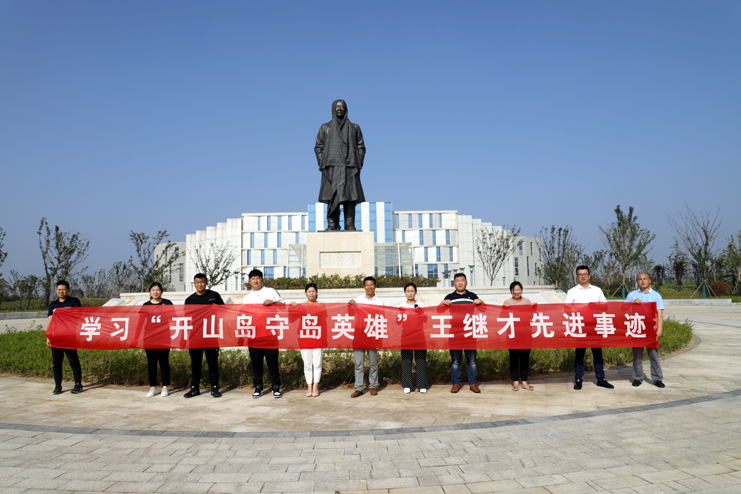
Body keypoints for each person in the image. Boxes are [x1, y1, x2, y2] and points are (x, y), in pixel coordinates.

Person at [314, 99, 366, 231]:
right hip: (331, 167)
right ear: (333, 109)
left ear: (346, 109)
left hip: (350, 167)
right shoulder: (325, 127)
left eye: (342, 107)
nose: (339, 109)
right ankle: (332, 225)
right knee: (332, 196)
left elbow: (361, 147)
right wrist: (323, 163)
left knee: (350, 197)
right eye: (337, 107)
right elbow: (318, 147)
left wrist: (358, 163)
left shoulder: (355, 128)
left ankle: (350, 224)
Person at [565, 265, 614, 390]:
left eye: (585, 274)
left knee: (597, 354)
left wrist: (595, 306)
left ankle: (601, 379)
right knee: (579, 354)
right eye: (580, 274)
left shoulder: (597, 290)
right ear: (576, 276)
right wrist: (578, 310)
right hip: (580, 326)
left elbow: (605, 306)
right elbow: (567, 309)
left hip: (595, 325)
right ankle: (578, 379)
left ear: (589, 276)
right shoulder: (572, 292)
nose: (583, 276)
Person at [241, 269, 285, 398]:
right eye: (253, 278)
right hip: (254, 335)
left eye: (258, 278)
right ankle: (258, 387)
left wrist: (272, 302)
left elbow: (283, 305)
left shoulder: (270, 292)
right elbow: (242, 316)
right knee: (256, 364)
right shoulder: (247, 298)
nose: (255, 280)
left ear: (262, 279)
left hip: (270, 333)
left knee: (272, 363)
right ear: (250, 281)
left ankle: (275, 387)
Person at [440, 273, 483, 394]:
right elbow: (438, 311)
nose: (460, 282)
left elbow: (484, 309)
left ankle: (473, 384)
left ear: (466, 282)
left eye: (462, 280)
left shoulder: (472, 296)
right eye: (457, 280)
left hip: (470, 333)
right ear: (454, 283)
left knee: (472, 361)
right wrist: (442, 302)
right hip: (455, 333)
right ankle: (455, 384)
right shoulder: (450, 297)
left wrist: (481, 301)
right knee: (455, 361)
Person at [184, 273, 224, 398]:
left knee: (212, 363)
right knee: (195, 364)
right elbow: (186, 318)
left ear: (206, 283)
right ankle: (195, 388)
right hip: (195, 336)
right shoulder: (189, 300)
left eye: (202, 282)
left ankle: (215, 388)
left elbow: (225, 311)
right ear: (194, 284)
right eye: (197, 282)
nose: (200, 284)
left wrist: (218, 308)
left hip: (211, 335)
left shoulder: (214, 296)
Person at [626, 272, 665, 388]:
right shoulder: (632, 295)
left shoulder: (656, 295)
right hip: (637, 328)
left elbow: (659, 313)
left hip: (651, 329)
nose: (642, 281)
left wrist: (659, 329)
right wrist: (632, 303)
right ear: (637, 281)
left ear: (649, 280)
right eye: (640, 279)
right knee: (637, 355)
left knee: (653, 355)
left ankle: (657, 379)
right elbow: (623, 309)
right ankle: (637, 378)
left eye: (645, 279)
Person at [348, 276, 384, 397]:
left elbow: (381, 321)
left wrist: (380, 339)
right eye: (367, 285)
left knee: (373, 363)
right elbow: (350, 314)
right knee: (358, 363)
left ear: (375, 286)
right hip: (359, 334)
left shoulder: (379, 302)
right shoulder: (358, 300)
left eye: (371, 284)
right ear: (364, 287)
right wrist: (350, 304)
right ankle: (358, 388)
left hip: (372, 335)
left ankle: (373, 386)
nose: (369, 287)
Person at [47, 280, 83, 395]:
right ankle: (58, 386)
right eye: (59, 289)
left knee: (73, 361)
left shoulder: (74, 302)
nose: (61, 291)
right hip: (56, 337)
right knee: (56, 363)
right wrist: (48, 336)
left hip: (69, 336)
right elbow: (50, 320)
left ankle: (78, 384)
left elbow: (78, 316)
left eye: (63, 289)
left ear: (68, 290)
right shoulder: (53, 305)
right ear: (56, 290)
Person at [290, 283, 323, 397]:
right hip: (305, 338)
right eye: (309, 291)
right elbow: (292, 319)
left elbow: (325, 322)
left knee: (317, 364)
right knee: (307, 364)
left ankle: (316, 386)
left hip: (318, 338)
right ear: (306, 293)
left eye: (313, 291)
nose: (311, 293)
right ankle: (309, 386)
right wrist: (293, 307)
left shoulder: (322, 305)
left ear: (317, 293)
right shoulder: (301, 306)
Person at [143, 282, 173, 398]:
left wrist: (166, 310)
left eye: (157, 289)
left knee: (164, 362)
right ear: (150, 292)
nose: (155, 292)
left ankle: (165, 386)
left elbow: (173, 317)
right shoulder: (146, 305)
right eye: (153, 290)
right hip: (149, 338)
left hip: (164, 337)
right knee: (151, 363)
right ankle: (152, 387)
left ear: (161, 291)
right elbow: (140, 321)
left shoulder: (167, 303)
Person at [503, 281, 533, 391]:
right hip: (512, 334)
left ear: (521, 290)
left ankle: (524, 381)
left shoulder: (527, 301)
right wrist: (504, 309)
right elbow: (502, 317)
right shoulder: (507, 302)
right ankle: (515, 381)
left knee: (525, 358)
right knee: (514, 358)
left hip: (525, 334)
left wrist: (533, 308)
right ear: (511, 291)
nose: (517, 291)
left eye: (518, 289)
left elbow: (531, 316)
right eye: (514, 289)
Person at [398, 282, 427, 394]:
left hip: (419, 334)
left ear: (416, 292)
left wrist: (421, 313)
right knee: (406, 360)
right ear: (405, 292)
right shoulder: (401, 305)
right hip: (406, 335)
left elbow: (425, 320)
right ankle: (407, 385)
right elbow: (397, 322)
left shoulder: (421, 304)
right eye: (408, 291)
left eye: (412, 291)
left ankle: (421, 385)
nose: (410, 293)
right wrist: (400, 313)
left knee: (420, 359)